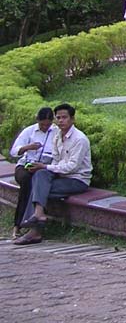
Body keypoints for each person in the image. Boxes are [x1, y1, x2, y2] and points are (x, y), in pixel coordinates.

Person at [14, 103, 92, 246]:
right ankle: (39, 215)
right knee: (40, 175)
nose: (61, 121)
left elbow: (72, 167)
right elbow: (56, 160)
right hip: (60, 176)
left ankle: (34, 230)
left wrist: (46, 166)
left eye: (64, 117)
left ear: (72, 119)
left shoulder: (79, 139)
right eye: (58, 118)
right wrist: (44, 168)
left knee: (38, 187)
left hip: (76, 180)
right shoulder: (57, 136)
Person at [9, 107, 56, 236]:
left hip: (43, 167)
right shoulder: (29, 131)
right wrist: (28, 147)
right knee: (26, 181)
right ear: (37, 121)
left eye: (48, 124)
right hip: (26, 166)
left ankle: (34, 224)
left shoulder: (56, 132)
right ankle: (18, 225)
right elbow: (14, 151)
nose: (45, 127)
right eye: (42, 124)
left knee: (38, 181)